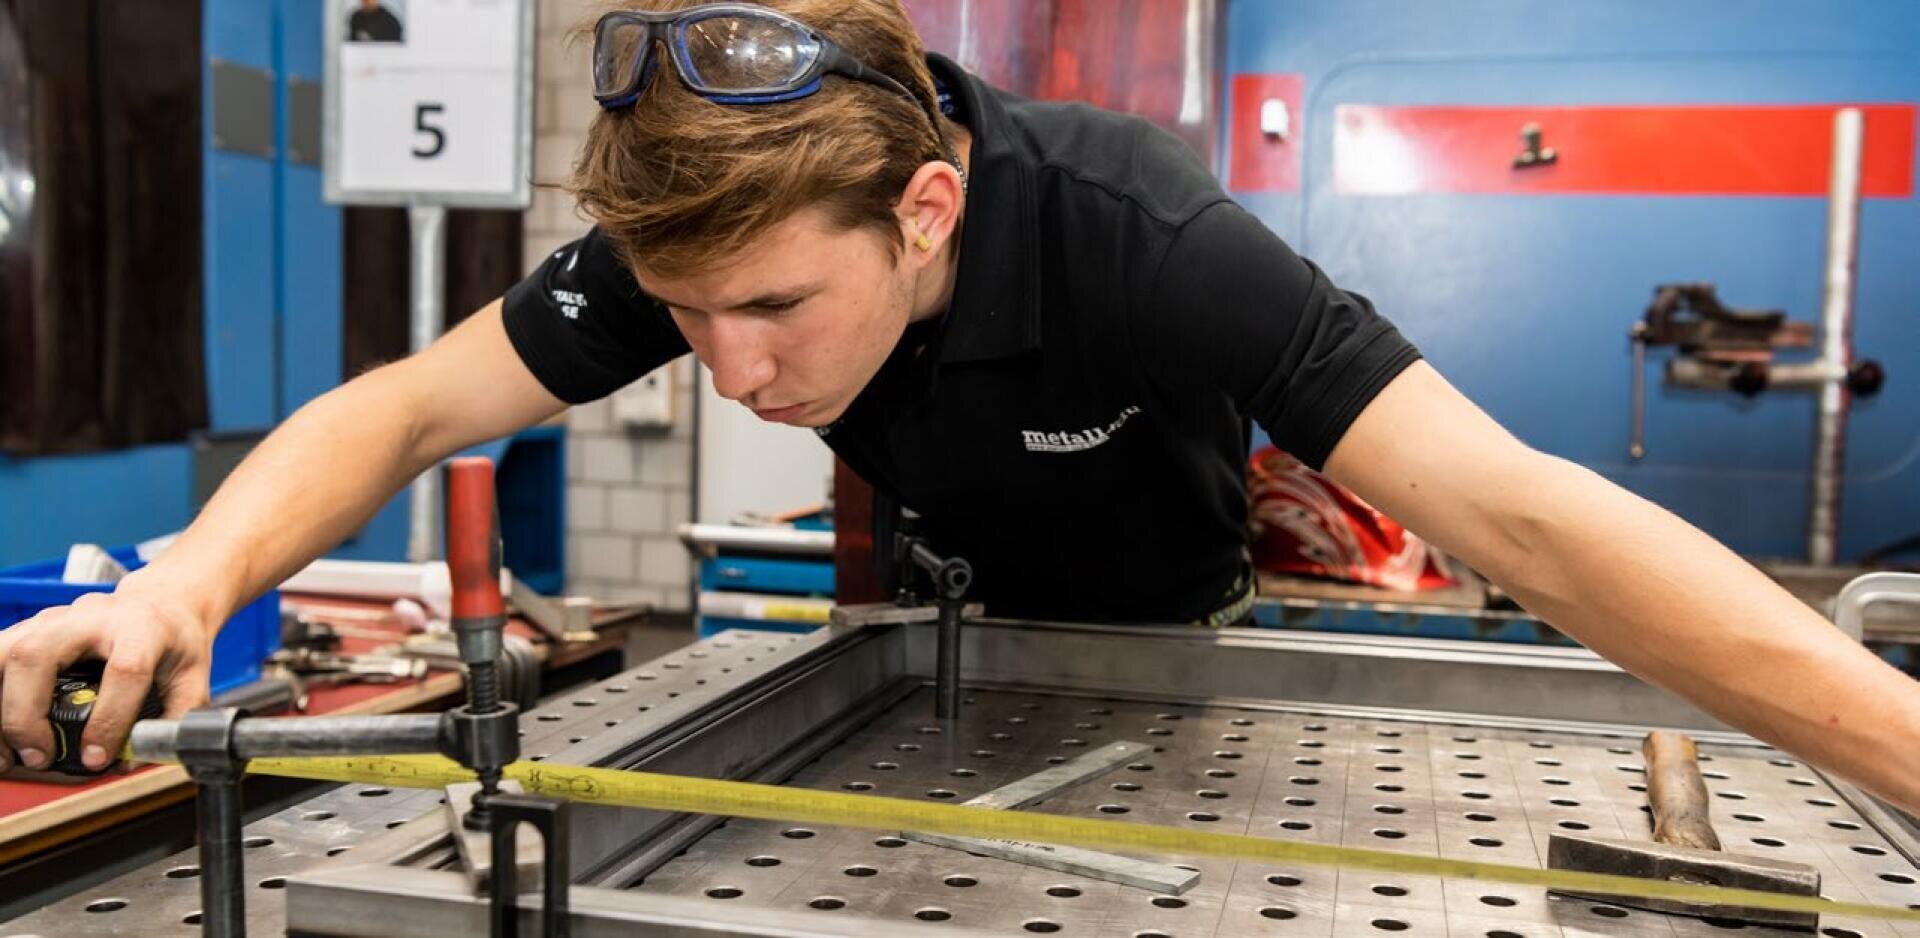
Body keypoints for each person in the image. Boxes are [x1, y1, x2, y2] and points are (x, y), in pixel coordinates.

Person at [2, 0, 1914, 816]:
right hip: (932, 650)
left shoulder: (1143, 229)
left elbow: (1524, 516)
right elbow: (416, 403)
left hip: (1196, 671)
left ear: (929, 208)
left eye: (769, 310)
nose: (730, 371)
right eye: (687, 318)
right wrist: (187, 578)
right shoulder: (726, 253)